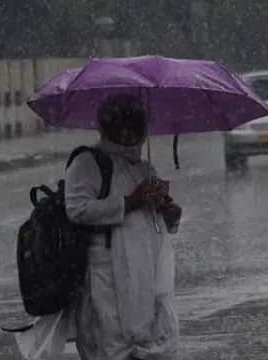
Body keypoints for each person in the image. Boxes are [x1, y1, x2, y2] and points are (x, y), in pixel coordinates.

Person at [64, 94, 181, 360]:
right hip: (106, 275)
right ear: (105, 127)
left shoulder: (143, 167)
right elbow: (77, 210)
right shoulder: (87, 163)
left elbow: (157, 221)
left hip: (145, 275)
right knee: (111, 345)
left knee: (150, 344)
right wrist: (131, 201)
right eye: (121, 125)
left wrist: (169, 212)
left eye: (135, 126)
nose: (129, 133)